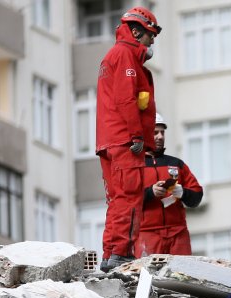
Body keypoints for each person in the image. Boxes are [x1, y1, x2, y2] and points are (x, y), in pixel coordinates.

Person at [96, 6, 162, 272]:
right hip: (125, 141)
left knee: (118, 200)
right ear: (136, 31)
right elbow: (126, 99)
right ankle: (121, 254)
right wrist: (137, 135)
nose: (152, 41)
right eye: (149, 35)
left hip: (111, 141)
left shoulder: (116, 56)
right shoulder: (125, 56)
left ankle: (111, 254)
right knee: (130, 199)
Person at [136, 113, 203, 257]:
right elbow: (125, 200)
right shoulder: (134, 166)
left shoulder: (176, 164)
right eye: (155, 132)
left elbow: (197, 196)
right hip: (147, 234)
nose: (160, 136)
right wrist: (150, 192)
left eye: (162, 132)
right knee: (151, 278)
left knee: (182, 277)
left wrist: (182, 192)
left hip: (178, 234)